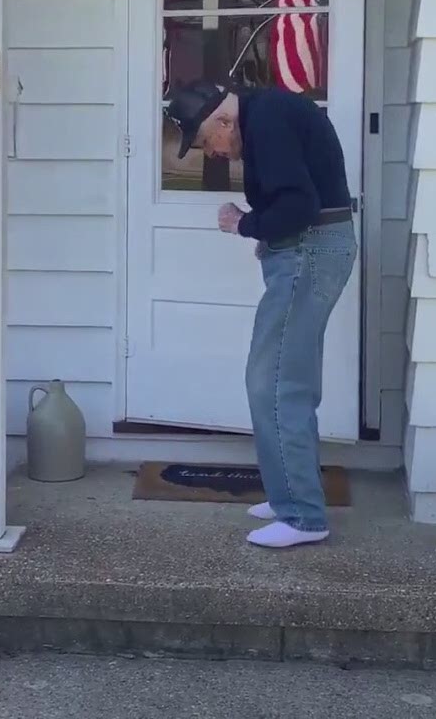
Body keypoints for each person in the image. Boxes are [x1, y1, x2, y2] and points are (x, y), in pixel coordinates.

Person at [163, 80, 357, 548]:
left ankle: (303, 517)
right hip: (310, 249)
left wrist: (245, 224)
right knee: (290, 380)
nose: (211, 153)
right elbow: (295, 195)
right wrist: (269, 236)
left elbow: (298, 203)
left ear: (223, 120)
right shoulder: (264, 113)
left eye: (207, 140)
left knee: (272, 381)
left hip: (309, 251)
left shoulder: (266, 119)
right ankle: (290, 492)